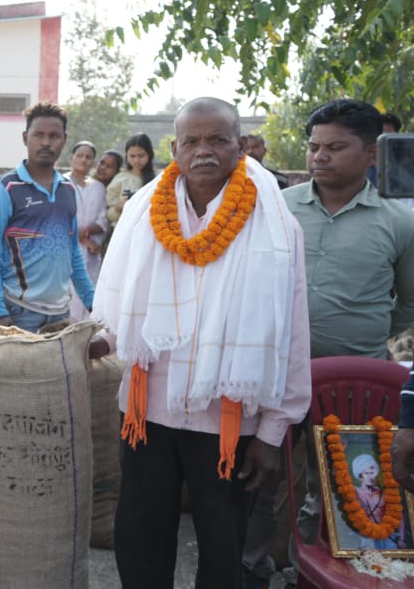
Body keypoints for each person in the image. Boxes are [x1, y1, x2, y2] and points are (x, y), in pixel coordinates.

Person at [90, 97, 311, 589]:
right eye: (191, 140)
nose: (203, 150)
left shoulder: (277, 227)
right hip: (148, 413)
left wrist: (273, 432)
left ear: (241, 145)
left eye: (217, 139)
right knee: (140, 538)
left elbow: (292, 334)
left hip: (226, 420)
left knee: (222, 548)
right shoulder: (144, 215)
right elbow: (123, 310)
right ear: (175, 149)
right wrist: (94, 343)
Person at [273, 99, 414, 565]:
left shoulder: (399, 221)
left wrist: (368, 343)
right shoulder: (278, 208)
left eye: (335, 147)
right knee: (264, 482)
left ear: (370, 154)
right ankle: (258, 569)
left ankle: (319, 572)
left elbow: (409, 303)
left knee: (342, 486)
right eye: (314, 146)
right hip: (274, 373)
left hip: (353, 384)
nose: (320, 156)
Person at [0, 102, 94, 331]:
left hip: (61, 313)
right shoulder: (5, 188)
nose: (46, 142)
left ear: (64, 139)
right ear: (25, 138)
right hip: (18, 313)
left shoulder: (68, 189)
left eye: (54, 136)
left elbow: (73, 253)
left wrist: (92, 301)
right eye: (39, 135)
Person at [67, 141, 110, 319]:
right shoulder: (61, 183)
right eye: (80, 155)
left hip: (91, 252)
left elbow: (103, 220)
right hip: (67, 250)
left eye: (88, 157)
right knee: (68, 300)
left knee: (90, 299)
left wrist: (86, 234)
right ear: (72, 157)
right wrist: (78, 235)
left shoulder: (98, 187)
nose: (84, 160)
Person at [105, 132, 156, 230]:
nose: (136, 160)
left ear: (149, 154)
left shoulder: (158, 179)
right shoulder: (120, 179)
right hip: (124, 231)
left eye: (141, 156)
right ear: (127, 156)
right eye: (132, 156)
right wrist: (118, 208)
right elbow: (109, 214)